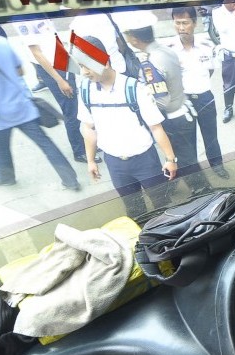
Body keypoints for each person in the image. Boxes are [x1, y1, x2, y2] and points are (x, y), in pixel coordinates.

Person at [0, 26, 81, 190]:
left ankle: (5, 177)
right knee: (46, 144)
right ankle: (71, 180)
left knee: (0, 148)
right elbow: (19, 71)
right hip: (21, 106)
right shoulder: (0, 42)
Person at [75, 35, 178, 219]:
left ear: (104, 61)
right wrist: (91, 160)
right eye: (80, 66)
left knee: (161, 203)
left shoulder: (134, 88)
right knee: (133, 209)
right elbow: (88, 127)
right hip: (114, 163)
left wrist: (170, 158)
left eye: (86, 66)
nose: (83, 72)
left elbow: (156, 127)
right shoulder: (86, 91)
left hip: (145, 161)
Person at [120, 11, 213, 193]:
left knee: (187, 164)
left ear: (133, 38)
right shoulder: (166, 50)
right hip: (184, 112)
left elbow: (161, 102)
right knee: (189, 158)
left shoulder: (150, 64)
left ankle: (204, 194)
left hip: (173, 120)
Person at [12, 17, 100, 163]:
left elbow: (52, 38)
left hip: (62, 60)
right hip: (53, 69)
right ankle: (79, 151)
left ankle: (88, 141)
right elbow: (37, 53)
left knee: (79, 104)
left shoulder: (41, 11)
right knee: (71, 110)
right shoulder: (24, 20)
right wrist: (59, 80)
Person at [169, 7, 230, 180]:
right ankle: (193, 173)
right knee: (187, 140)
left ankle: (217, 165)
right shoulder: (169, 49)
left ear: (194, 23)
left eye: (185, 23)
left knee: (210, 134)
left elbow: (210, 70)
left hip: (204, 97)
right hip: (183, 101)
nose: (181, 27)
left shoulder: (206, 45)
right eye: (177, 23)